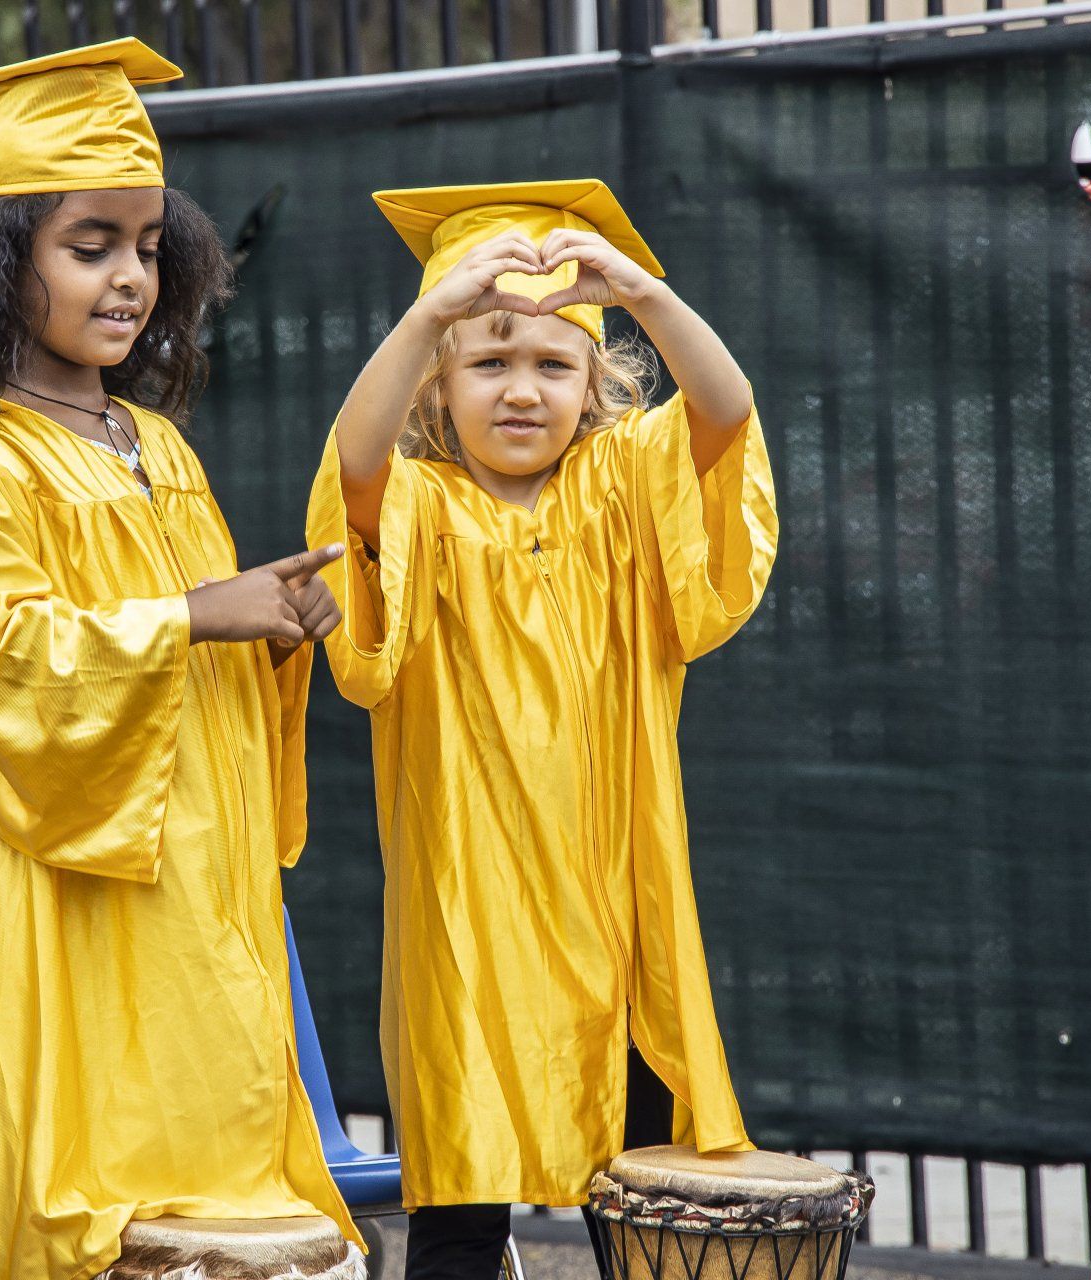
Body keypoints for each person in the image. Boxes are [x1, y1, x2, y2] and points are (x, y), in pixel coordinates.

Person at [0, 40, 356, 1280]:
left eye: (147, 246)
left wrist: (270, 628)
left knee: (209, 1171)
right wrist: (194, 617)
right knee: (75, 1171)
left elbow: (202, 645)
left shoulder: (156, 444)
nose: (130, 275)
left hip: (188, 877)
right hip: (47, 889)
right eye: (90, 246)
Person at [305, 180, 779, 1280]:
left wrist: (646, 295)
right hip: (466, 911)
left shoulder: (625, 490)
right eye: (487, 359)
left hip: (621, 910)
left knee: (648, 1196)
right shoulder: (420, 507)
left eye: (555, 364)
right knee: (462, 1217)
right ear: (438, 385)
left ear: (594, 384)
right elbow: (356, 468)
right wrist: (427, 316)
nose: (522, 389)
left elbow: (724, 414)